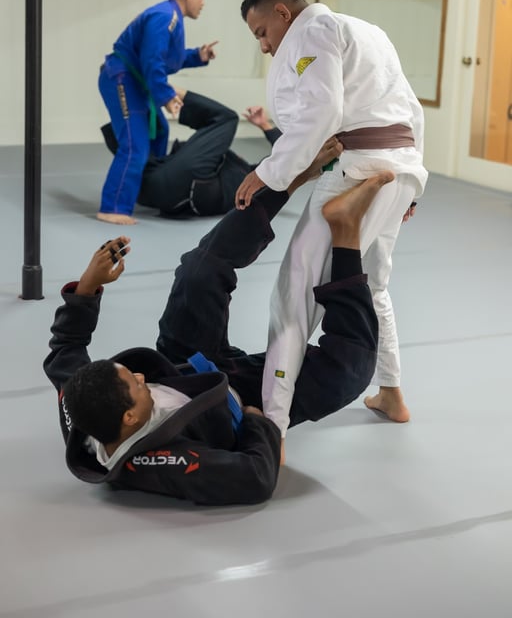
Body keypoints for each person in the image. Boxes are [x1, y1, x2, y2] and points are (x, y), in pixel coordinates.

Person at [44, 158, 395, 506]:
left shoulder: (81, 404)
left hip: (184, 366)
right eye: (135, 384)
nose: (139, 376)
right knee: (349, 370)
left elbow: (65, 349)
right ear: (130, 418)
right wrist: (261, 425)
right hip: (241, 400)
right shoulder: (158, 462)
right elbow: (254, 479)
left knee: (198, 274)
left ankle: (286, 180)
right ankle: (346, 231)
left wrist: (88, 284)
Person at [235, 0, 428, 443]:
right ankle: (390, 392)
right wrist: (411, 188)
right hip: (401, 168)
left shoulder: (313, 30)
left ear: (283, 13)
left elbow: (322, 110)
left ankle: (273, 423)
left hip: (356, 170)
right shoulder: (369, 31)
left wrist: (268, 171)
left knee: (294, 295)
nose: (264, 45)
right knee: (372, 285)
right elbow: (412, 108)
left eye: (262, 32)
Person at [97, 0, 218, 226]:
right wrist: (166, 96)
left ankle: (145, 191)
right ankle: (113, 206)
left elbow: (166, 58)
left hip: (135, 82)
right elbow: (152, 61)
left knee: (159, 132)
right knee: (135, 143)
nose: (203, 2)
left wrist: (198, 56)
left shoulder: (171, 17)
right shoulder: (165, 17)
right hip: (122, 79)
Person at [102, 91, 281, 218]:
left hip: (190, 186)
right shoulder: (248, 172)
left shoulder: (262, 182)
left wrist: (266, 126)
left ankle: (166, 90)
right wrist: (263, 124)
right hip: (157, 192)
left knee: (227, 118)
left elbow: (287, 155)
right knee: (147, 132)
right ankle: (130, 91)